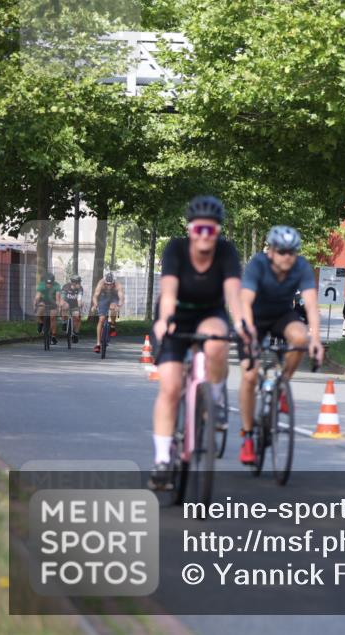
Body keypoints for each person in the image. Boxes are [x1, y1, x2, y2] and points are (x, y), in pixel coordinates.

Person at [148, 195, 247, 489]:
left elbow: (232, 297)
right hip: (176, 315)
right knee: (170, 387)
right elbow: (168, 294)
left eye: (211, 230)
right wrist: (165, 320)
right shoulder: (175, 250)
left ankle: (213, 399)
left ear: (218, 232)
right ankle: (163, 458)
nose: (205, 236)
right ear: (190, 230)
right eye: (199, 229)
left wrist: (242, 325)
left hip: (209, 312)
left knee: (217, 343)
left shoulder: (227, 253)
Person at [237, 226, 323, 464]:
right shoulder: (258, 264)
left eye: (292, 252)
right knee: (250, 375)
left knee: (300, 338)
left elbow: (311, 305)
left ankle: (282, 383)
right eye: (282, 251)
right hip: (254, 318)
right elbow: (244, 302)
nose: (287, 256)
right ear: (271, 251)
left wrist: (315, 339)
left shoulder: (301, 266)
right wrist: (249, 332)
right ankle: (246, 436)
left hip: (281, 317)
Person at [91, 272, 124, 352]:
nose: (109, 286)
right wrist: (95, 305)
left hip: (114, 297)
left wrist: (119, 306)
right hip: (103, 297)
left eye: (111, 284)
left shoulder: (118, 285)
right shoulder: (101, 283)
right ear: (104, 282)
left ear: (113, 282)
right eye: (107, 284)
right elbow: (95, 296)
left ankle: (112, 325)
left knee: (113, 307)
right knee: (101, 319)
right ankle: (98, 344)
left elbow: (121, 297)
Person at [34, 272, 62, 344]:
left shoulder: (56, 285)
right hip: (44, 300)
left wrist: (58, 306)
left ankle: (53, 336)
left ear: (53, 282)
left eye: (50, 283)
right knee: (39, 311)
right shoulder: (41, 285)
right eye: (47, 283)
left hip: (53, 301)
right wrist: (35, 304)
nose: (49, 285)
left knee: (53, 317)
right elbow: (37, 296)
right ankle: (40, 323)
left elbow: (57, 297)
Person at [60, 275, 84, 342]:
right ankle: (64, 322)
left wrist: (79, 307)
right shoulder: (66, 287)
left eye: (79, 282)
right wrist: (62, 304)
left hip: (75, 305)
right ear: (73, 283)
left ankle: (75, 333)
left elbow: (79, 299)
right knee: (65, 306)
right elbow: (62, 298)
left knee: (77, 317)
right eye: (78, 282)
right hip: (66, 303)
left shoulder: (80, 288)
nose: (79, 284)